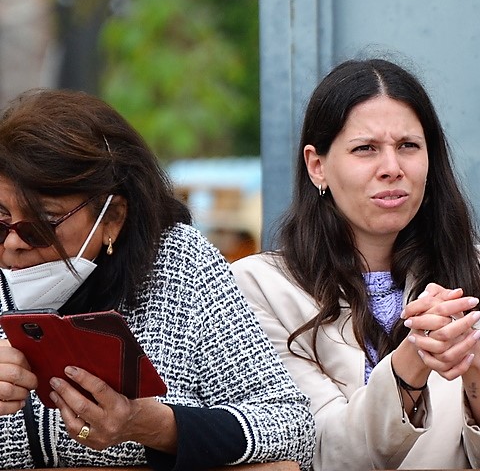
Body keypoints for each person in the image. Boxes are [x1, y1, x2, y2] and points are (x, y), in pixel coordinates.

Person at [233, 58, 480, 470]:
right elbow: (320, 451)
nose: (392, 169)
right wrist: (412, 360)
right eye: (365, 149)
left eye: (408, 146)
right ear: (317, 166)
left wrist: (473, 360)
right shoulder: (260, 287)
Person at [0, 89, 314, 469]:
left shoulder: (179, 266)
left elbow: (292, 426)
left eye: (43, 224)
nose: (13, 243)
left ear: (112, 217)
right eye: (0, 221)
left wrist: (152, 426)